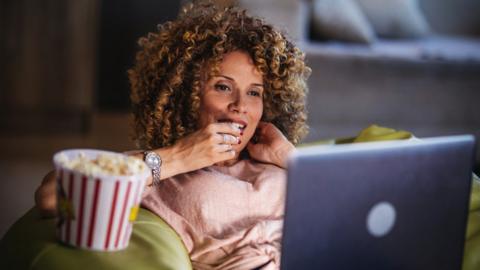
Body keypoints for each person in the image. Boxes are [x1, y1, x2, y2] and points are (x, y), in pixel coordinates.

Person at [35, 1, 311, 269]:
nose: (240, 105)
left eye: (254, 92)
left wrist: (290, 159)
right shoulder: (165, 176)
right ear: (186, 95)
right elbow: (51, 195)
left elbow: (346, 215)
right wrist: (180, 157)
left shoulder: (278, 159)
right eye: (223, 87)